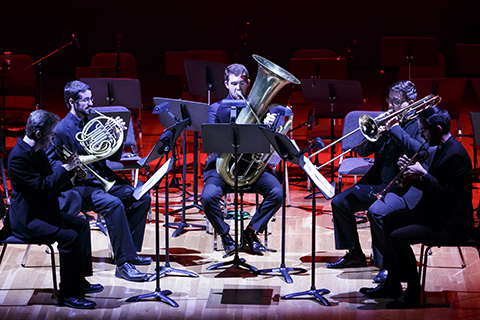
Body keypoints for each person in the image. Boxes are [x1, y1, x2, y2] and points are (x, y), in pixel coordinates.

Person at [359, 107, 473, 309]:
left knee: (398, 237)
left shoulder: (456, 156)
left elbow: (446, 196)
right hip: (434, 213)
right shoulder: (439, 148)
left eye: (424, 130)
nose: (421, 134)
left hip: (450, 223)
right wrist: (410, 174)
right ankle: (392, 285)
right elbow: (431, 186)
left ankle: (412, 292)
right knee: (388, 221)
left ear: (438, 129)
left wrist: (422, 175)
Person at [47, 80, 152, 282]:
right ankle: (123, 265)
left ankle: (128, 253)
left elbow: (111, 156)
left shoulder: (93, 120)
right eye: (85, 100)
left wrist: (117, 135)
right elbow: (50, 163)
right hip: (79, 186)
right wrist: (69, 166)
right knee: (113, 205)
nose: (90, 103)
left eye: (91, 98)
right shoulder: (61, 129)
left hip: (102, 180)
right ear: (72, 102)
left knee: (141, 198)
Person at [326, 81, 425, 282]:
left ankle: (386, 264)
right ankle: (355, 254)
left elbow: (419, 150)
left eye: (396, 102)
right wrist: (375, 132)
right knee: (340, 203)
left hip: (402, 187)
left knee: (375, 213)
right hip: (378, 182)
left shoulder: (419, 124)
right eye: (390, 100)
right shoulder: (388, 122)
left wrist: (395, 129)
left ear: (411, 103)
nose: (391, 107)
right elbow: (362, 151)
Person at [7, 110, 102, 309]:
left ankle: (78, 281)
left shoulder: (38, 151)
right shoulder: (18, 158)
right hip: (28, 220)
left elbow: (51, 182)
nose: (53, 139)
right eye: (52, 134)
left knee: (82, 226)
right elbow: (43, 188)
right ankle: (68, 295)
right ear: (39, 134)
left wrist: (72, 174)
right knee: (69, 237)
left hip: (43, 212)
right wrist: (65, 169)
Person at [201, 63, 282, 256]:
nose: (239, 88)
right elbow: (212, 143)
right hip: (221, 169)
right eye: (234, 84)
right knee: (207, 198)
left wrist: (267, 126)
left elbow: (270, 144)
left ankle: (250, 233)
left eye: (242, 83)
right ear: (226, 84)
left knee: (277, 193)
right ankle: (225, 236)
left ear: (249, 83)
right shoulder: (215, 109)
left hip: (250, 169)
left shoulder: (260, 110)